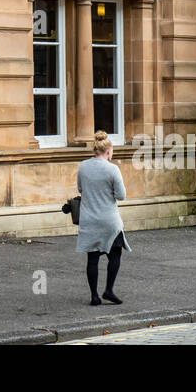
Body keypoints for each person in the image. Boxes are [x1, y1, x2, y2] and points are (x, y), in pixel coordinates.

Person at [76, 130, 131, 306]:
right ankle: (108, 290)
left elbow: (80, 189)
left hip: (89, 219)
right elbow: (121, 195)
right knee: (115, 255)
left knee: (92, 259)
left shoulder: (83, 166)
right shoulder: (112, 169)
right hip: (109, 220)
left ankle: (94, 296)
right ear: (108, 151)